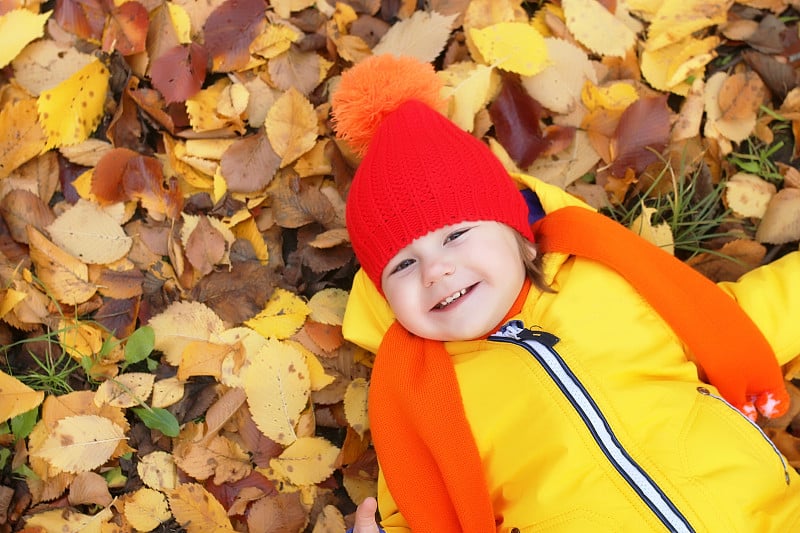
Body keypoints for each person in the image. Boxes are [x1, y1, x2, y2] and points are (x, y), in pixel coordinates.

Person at [330, 54, 800, 532]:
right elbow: (422, 506)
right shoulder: (420, 394)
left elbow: (729, 319)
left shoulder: (606, 277)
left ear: (516, 235)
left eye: (455, 236)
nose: (437, 270)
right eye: (404, 264)